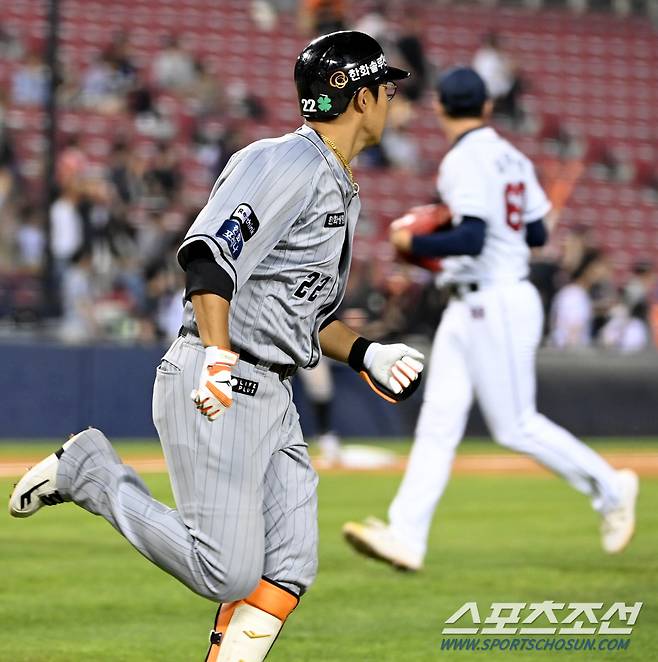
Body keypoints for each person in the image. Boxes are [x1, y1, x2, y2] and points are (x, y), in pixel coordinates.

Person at [9, 31, 424, 662]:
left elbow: (300, 312)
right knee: (225, 572)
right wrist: (217, 355)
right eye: (384, 87)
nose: (392, 98)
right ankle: (87, 471)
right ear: (360, 98)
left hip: (272, 388)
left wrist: (366, 352)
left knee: (287, 567)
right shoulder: (288, 163)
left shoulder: (334, 181)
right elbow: (208, 257)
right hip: (225, 379)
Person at [343, 67, 638, 572]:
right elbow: (540, 233)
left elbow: (472, 239)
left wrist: (415, 243)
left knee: (515, 425)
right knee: (438, 424)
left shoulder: (464, 159)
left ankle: (612, 488)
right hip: (473, 300)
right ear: (485, 108)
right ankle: (406, 537)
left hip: (494, 299)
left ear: (439, 107)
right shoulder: (512, 155)